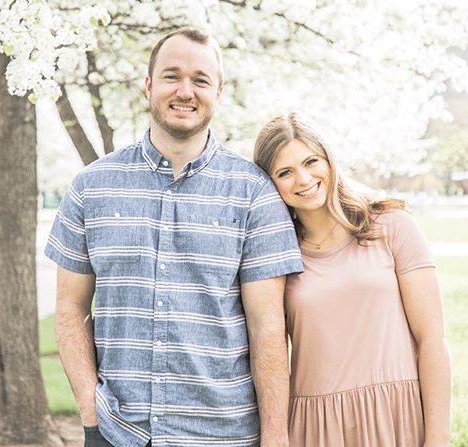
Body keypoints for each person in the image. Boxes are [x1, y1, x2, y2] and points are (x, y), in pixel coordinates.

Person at [45, 28, 302, 447]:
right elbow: (70, 307)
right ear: (148, 85)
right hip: (118, 433)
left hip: (224, 435)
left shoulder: (255, 193)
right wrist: (91, 412)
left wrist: (275, 437)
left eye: (201, 80)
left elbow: (267, 329)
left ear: (218, 92)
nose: (186, 90)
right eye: (171, 76)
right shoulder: (91, 187)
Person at [253, 112, 452, 447]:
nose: (302, 179)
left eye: (311, 161)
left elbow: (432, 338)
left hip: (396, 417)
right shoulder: (275, 254)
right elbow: (267, 344)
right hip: (315, 427)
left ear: (329, 158)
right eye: (284, 172)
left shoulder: (392, 225)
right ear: (270, 182)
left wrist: (438, 438)